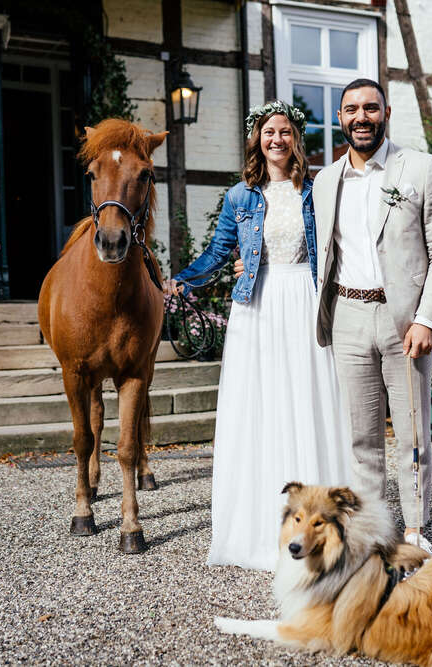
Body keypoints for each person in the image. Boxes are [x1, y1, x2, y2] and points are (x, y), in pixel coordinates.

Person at [239, 80, 432, 551]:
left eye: (370, 108)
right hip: (346, 315)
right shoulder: (325, 180)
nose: (362, 117)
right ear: (340, 117)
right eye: (351, 109)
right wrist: (247, 257)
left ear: (386, 112)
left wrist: (427, 318)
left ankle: (417, 530)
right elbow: (295, 235)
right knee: (361, 439)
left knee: (412, 433)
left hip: (403, 322)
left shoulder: (420, 168)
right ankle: (373, 530)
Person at [165, 101, 354, 571]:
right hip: (259, 305)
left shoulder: (317, 190)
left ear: (296, 139)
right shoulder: (239, 196)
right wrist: (180, 281)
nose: (276, 140)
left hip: (306, 300)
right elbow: (218, 251)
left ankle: (322, 523)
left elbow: (341, 243)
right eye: (269, 132)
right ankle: (258, 528)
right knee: (262, 404)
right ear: (257, 139)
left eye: (285, 132)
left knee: (309, 399)